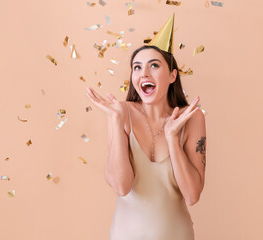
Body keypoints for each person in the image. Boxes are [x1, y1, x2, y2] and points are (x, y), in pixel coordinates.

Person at [86, 14, 206, 240]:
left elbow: (192, 196)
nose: (144, 74)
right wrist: (115, 121)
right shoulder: (120, 112)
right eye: (137, 67)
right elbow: (121, 186)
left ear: (172, 76)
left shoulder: (192, 118)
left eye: (154, 65)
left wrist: (172, 138)